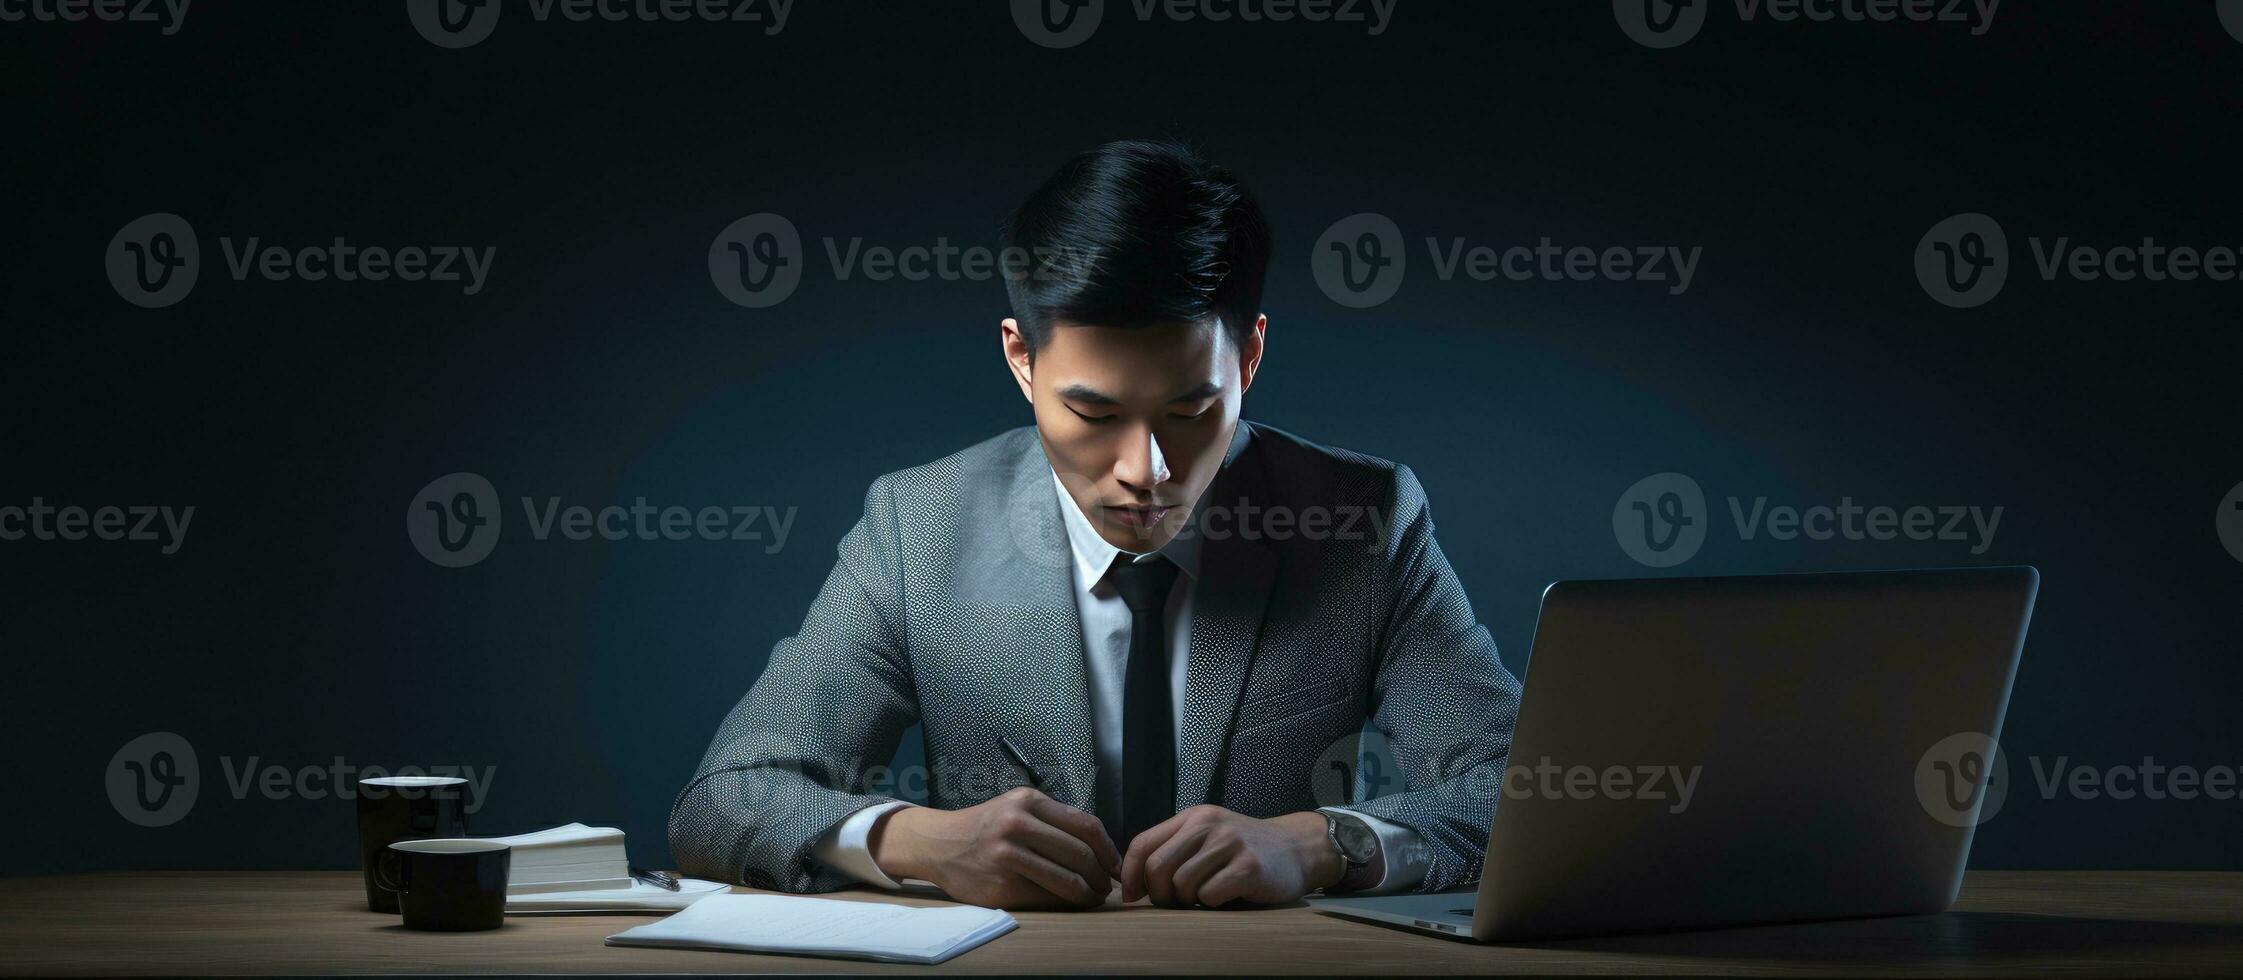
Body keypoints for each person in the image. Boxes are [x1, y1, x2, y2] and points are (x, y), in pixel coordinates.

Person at [670, 139, 1520, 910]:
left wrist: (1326, 842)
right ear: (1020, 359)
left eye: (1190, 410)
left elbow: (1524, 793)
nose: (1141, 470)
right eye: (1090, 411)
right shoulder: (915, 529)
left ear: (1250, 358)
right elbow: (726, 799)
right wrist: (923, 843)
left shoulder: (1359, 523)